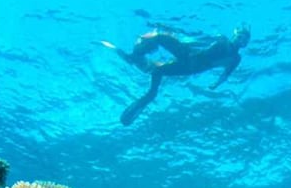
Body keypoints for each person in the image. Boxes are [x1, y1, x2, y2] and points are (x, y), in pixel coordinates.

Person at [104, 25, 250, 125]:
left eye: (244, 39)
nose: (241, 40)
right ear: (235, 34)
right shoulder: (222, 38)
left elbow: (226, 74)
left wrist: (216, 84)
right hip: (189, 53)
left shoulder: (236, 58)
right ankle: (134, 56)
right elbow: (201, 38)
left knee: (157, 70)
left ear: (246, 43)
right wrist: (183, 38)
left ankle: (146, 99)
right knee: (160, 37)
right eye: (240, 36)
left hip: (192, 66)